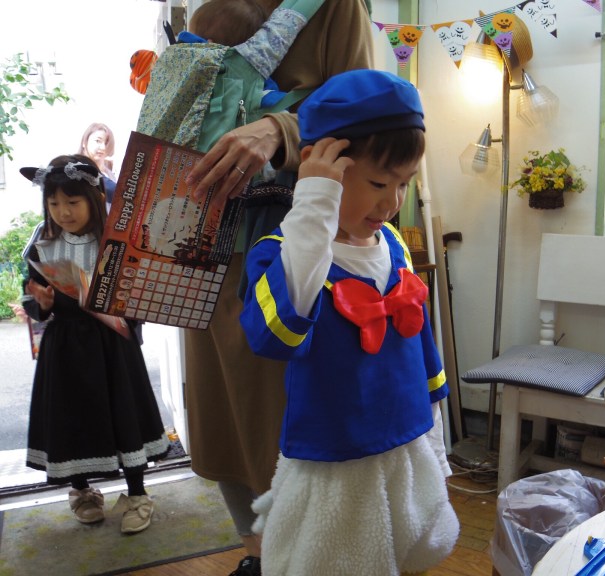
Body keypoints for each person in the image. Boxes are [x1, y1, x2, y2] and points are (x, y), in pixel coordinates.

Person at [240, 68, 459, 576]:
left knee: (408, 550)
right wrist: (314, 201)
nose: (392, 202)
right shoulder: (282, 254)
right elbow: (274, 336)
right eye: (379, 183)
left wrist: (436, 442)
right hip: (335, 455)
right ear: (324, 169)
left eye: (404, 184)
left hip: (406, 441)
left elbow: (421, 347)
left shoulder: (394, 245)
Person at [180, 2, 373, 575]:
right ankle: (258, 557)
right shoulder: (211, 9)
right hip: (204, 241)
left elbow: (366, 109)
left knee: (283, 419)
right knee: (222, 416)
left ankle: (301, 560)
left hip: (292, 243)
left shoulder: (335, 9)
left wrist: (279, 127)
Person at [20, 154, 170, 534]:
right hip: (64, 348)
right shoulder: (42, 244)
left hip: (112, 345)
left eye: (72, 201)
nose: (63, 212)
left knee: (124, 414)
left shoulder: (115, 241)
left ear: (94, 197)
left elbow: (138, 295)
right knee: (72, 416)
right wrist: (42, 303)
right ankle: (82, 491)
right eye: (54, 203)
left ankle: (137, 494)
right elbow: (31, 298)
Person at [78, 122, 117, 207]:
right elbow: (115, 193)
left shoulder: (110, 173)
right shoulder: (77, 169)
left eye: (106, 143)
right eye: (98, 141)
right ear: (84, 142)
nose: (103, 147)